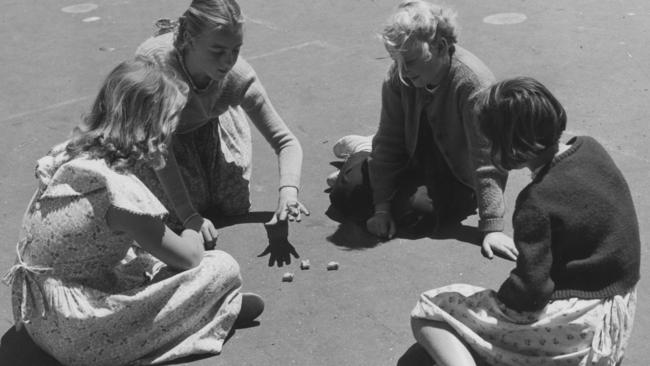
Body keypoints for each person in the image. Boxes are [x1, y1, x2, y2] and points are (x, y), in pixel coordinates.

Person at [2, 58, 264, 366]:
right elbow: (189, 257)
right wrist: (192, 230)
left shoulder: (70, 156)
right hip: (76, 333)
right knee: (221, 267)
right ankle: (205, 310)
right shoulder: (119, 191)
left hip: (36, 316)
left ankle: (199, 305)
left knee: (139, 255)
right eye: (172, 122)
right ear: (154, 127)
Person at [409, 77, 640, 366]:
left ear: (514, 147)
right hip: (615, 313)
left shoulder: (535, 202)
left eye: (490, 141)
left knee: (430, 308)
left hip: (577, 328)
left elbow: (531, 290)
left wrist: (497, 306)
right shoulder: (592, 149)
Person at [328, 0, 516, 260]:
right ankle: (363, 152)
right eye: (397, 61)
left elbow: (487, 158)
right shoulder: (400, 75)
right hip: (412, 154)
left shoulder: (473, 84)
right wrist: (381, 208)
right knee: (345, 193)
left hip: (454, 174)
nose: (403, 71)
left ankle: (362, 159)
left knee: (417, 215)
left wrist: (491, 225)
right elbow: (391, 140)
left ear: (440, 47)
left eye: (411, 60)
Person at [135, 0, 308, 248]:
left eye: (235, 50)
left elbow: (286, 141)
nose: (228, 62)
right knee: (174, 216)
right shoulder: (155, 66)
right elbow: (158, 147)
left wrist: (288, 192)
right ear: (189, 40)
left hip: (207, 122)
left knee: (232, 203)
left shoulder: (238, 76)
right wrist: (189, 216)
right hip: (156, 135)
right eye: (217, 51)